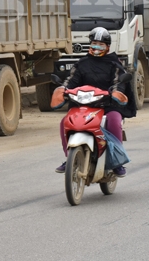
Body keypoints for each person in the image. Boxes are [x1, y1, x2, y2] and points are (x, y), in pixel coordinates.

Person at [52, 27, 136, 176]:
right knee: (65, 122)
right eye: (94, 44)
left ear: (108, 47)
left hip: (107, 105)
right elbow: (71, 81)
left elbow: (119, 82)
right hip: (83, 104)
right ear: (90, 45)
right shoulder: (82, 64)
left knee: (115, 120)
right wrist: (63, 89)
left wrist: (116, 92)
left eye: (101, 45)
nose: (97, 48)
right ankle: (69, 158)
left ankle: (117, 161)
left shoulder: (114, 65)